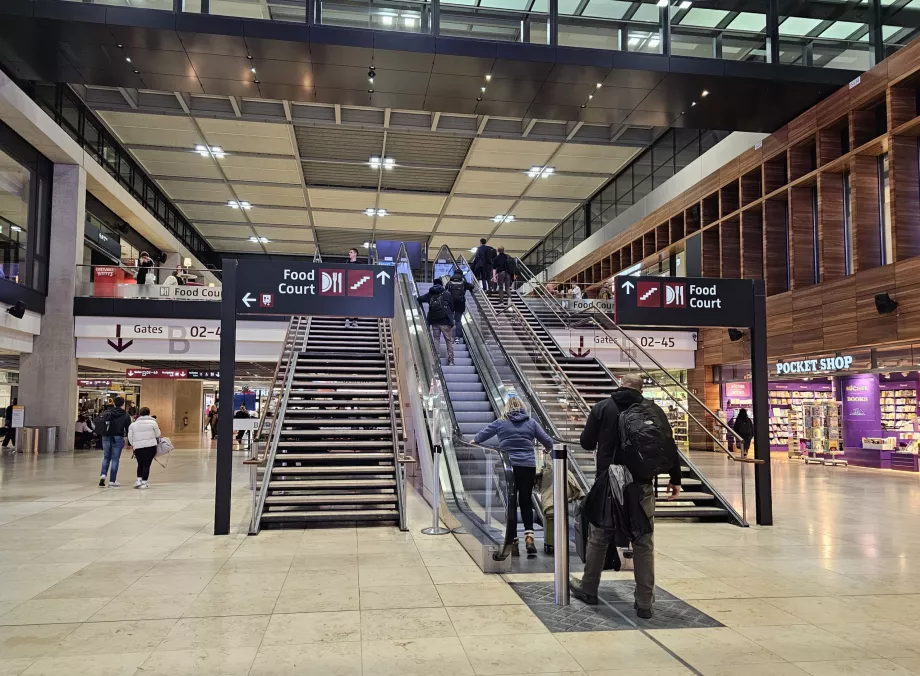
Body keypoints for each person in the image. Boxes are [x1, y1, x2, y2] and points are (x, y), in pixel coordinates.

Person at [571, 373, 681, 618]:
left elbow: (587, 442)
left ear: (620, 383)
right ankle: (644, 602)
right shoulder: (653, 411)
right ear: (641, 389)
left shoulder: (602, 407)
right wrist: (675, 479)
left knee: (599, 536)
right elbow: (669, 446)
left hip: (609, 483)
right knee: (643, 541)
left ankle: (589, 587)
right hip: (641, 484)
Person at [473, 396, 553, 556]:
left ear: (507, 408)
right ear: (522, 408)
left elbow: (481, 436)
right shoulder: (531, 423)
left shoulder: (501, 422)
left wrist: (473, 441)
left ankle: (513, 541)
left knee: (510, 502)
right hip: (527, 466)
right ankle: (529, 538)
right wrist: (548, 450)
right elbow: (548, 441)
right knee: (526, 500)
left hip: (508, 467)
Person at [418, 277, 455, 366]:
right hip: (446, 321)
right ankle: (450, 360)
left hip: (434, 321)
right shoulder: (447, 293)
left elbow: (419, 299)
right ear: (442, 284)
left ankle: (437, 359)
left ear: (434, 284)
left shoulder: (430, 294)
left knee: (436, 340)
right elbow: (452, 306)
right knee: (448, 341)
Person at [98, 396, 132, 487]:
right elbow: (128, 428)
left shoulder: (107, 412)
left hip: (106, 436)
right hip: (118, 437)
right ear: (123, 404)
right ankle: (112, 481)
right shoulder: (125, 415)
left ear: (113, 403)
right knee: (115, 459)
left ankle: (103, 475)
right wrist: (129, 442)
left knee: (106, 457)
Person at [128, 407, 160, 490]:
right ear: (149, 413)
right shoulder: (153, 423)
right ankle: (144, 482)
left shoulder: (133, 424)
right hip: (150, 447)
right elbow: (158, 434)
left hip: (138, 447)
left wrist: (133, 444)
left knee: (140, 464)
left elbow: (130, 437)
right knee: (147, 465)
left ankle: (139, 480)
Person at [446, 270, 475, 344]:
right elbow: (472, 286)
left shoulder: (449, 283)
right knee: (458, 321)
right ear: (461, 275)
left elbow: (444, 290)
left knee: (449, 319)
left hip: (450, 304)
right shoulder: (463, 283)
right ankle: (457, 337)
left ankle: (447, 336)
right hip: (460, 304)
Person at [345, 247, 361, 328]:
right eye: (349, 252)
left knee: (356, 304)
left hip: (357, 287)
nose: (349, 253)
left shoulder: (360, 264)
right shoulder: (347, 263)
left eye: (351, 252)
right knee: (347, 304)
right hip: (348, 286)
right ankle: (347, 320)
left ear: (355, 254)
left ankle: (355, 320)